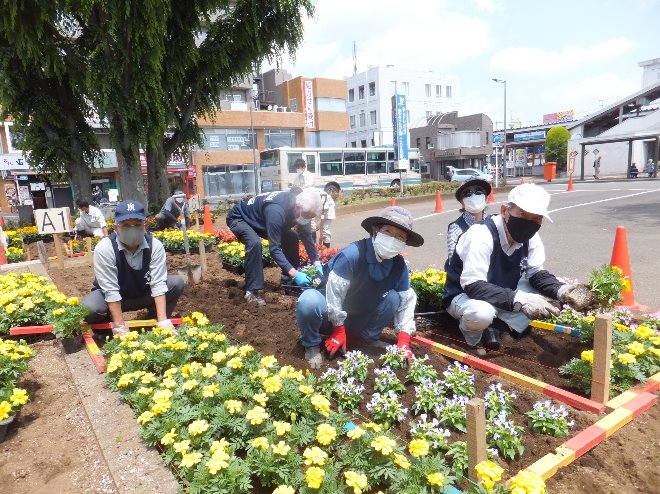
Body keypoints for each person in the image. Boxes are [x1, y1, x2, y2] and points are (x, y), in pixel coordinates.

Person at [442, 183, 594, 354]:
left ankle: (502, 324)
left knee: (548, 294)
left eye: (536, 218)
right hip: (464, 295)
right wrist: (520, 300)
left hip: (500, 293)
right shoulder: (481, 234)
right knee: (481, 313)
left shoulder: (531, 238)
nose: (528, 223)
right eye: (523, 214)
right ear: (504, 211)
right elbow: (473, 285)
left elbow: (536, 274)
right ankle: (471, 340)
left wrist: (563, 291)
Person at [296, 206, 425, 368]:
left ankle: (367, 339)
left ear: (404, 243)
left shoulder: (399, 266)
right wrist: (338, 329)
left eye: (400, 237)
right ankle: (311, 343)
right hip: (327, 317)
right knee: (309, 301)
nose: (393, 239)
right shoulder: (353, 255)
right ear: (375, 231)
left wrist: (404, 341)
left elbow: (406, 302)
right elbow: (335, 293)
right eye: (387, 232)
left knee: (393, 298)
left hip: (358, 320)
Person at [82, 200, 184, 335]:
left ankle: (153, 321)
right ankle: (106, 331)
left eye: (137, 224)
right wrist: (120, 327)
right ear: (116, 227)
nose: (132, 229)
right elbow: (110, 290)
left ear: (145, 225)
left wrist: (163, 321)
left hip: (143, 294)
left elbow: (158, 284)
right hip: (111, 298)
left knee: (176, 283)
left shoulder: (155, 246)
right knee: (89, 308)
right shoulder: (105, 248)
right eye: (125, 225)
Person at [226, 189, 322, 306]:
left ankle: (288, 281)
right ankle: (251, 291)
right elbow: (274, 249)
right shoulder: (276, 210)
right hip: (240, 218)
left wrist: (317, 265)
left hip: (261, 221)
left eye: (310, 217)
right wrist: (295, 274)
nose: (306, 219)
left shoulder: (302, 209)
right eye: (306, 216)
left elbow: (307, 238)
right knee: (254, 243)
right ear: (298, 206)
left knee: (292, 238)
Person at [445, 178, 492, 269]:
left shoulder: (494, 223)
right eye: (467, 193)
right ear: (462, 202)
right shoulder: (456, 228)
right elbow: (453, 265)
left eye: (479, 191)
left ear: (486, 198)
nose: (474, 195)